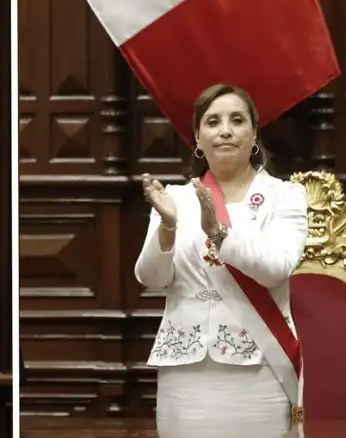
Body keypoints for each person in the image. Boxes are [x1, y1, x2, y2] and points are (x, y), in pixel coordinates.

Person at [134, 84, 308, 436]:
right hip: (185, 373)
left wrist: (219, 233)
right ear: (198, 137)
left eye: (237, 120)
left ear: (254, 133)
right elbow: (150, 277)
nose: (225, 129)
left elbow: (276, 270)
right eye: (212, 121)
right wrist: (167, 225)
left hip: (260, 367)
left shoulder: (285, 196)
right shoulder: (175, 199)